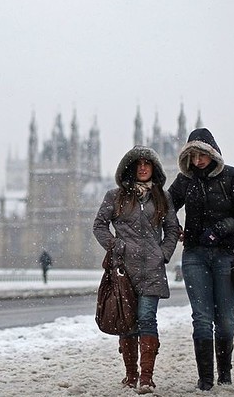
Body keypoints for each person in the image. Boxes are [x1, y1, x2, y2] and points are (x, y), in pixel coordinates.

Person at [168, 128, 234, 391]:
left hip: (225, 255)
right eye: (192, 156)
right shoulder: (185, 181)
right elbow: (165, 206)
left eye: (202, 155)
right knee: (201, 318)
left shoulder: (232, 176)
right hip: (194, 254)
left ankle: (224, 372)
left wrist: (220, 230)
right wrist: (174, 227)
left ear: (212, 152)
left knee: (226, 320)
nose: (198, 161)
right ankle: (205, 379)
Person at [93, 145, 181, 393]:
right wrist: (116, 246)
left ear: (154, 168)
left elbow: (173, 229)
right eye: (138, 164)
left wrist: (163, 253)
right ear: (130, 169)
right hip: (125, 270)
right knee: (128, 322)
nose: (143, 167)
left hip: (152, 270)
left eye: (147, 163)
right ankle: (131, 374)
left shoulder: (162, 198)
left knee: (147, 318)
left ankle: (147, 377)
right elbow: (99, 226)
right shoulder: (114, 196)